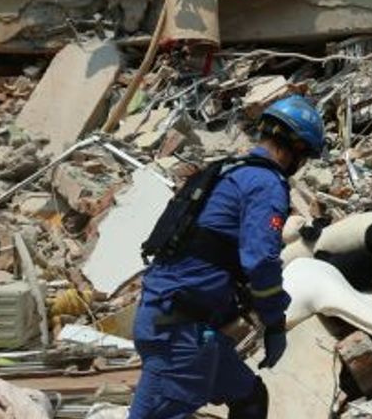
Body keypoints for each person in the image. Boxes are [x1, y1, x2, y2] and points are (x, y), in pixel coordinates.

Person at [128, 96, 326, 419]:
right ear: (296, 149)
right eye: (304, 157)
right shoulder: (266, 184)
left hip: (177, 317)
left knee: (249, 398)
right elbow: (260, 261)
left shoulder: (228, 171)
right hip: (180, 330)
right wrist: (274, 321)